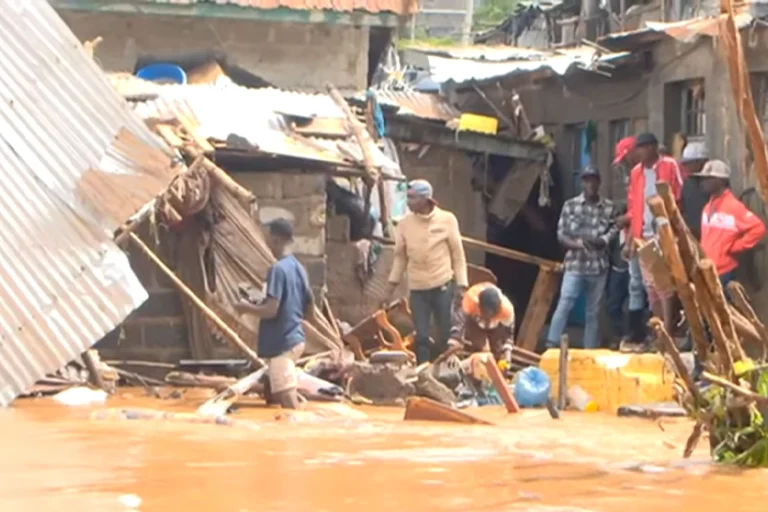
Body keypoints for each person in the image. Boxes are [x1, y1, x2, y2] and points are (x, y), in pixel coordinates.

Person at [386, 179, 468, 364]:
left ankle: (448, 369)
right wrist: (390, 287)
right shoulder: (404, 224)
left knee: (446, 333)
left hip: (442, 286)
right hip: (418, 289)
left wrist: (462, 285)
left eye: (413, 198)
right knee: (421, 335)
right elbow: (400, 258)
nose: (408, 202)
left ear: (426, 200)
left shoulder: (447, 220)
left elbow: (458, 255)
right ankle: (422, 370)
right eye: (407, 197)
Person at [235, 218, 314, 409]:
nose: (267, 244)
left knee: (287, 400)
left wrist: (246, 308)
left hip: (282, 345)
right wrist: (293, 318)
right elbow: (309, 305)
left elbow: (271, 311)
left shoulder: (277, 270)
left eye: (268, 239)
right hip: (294, 339)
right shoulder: (299, 268)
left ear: (276, 239)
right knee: (272, 395)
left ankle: (299, 426)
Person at [547, 166, 618, 349]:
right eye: (587, 180)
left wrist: (603, 241)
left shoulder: (609, 207)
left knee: (593, 312)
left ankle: (589, 350)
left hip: (598, 266)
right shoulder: (570, 205)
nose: (590, 184)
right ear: (582, 183)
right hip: (575, 265)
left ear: (599, 182)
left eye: (593, 180)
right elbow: (561, 235)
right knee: (565, 303)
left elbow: (614, 229)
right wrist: (578, 244)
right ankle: (551, 344)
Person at [623, 132, 683, 350]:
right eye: (638, 148)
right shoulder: (636, 173)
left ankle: (668, 332)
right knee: (650, 287)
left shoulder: (669, 165)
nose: (640, 152)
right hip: (643, 234)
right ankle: (659, 333)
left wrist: (674, 230)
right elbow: (633, 207)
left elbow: (678, 196)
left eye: (643, 148)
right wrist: (630, 240)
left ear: (653, 147)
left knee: (664, 284)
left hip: (663, 233)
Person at [695, 160, 766, 288]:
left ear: (720, 180)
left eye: (708, 178)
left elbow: (758, 228)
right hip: (709, 269)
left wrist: (736, 246)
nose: (703, 182)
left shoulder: (733, 206)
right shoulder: (707, 208)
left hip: (724, 271)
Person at [447, 282, 515, 364]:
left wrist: (507, 352)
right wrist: (452, 352)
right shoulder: (469, 302)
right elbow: (458, 326)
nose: (487, 317)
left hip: (496, 326)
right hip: (474, 321)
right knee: (481, 350)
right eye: (485, 314)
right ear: (479, 306)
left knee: (496, 352)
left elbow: (508, 334)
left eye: (490, 315)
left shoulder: (507, 311)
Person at [679, 141, 710, 240]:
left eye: (688, 163)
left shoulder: (712, 184)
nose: (686, 167)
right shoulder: (687, 184)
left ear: (701, 162)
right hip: (692, 236)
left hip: (709, 235)